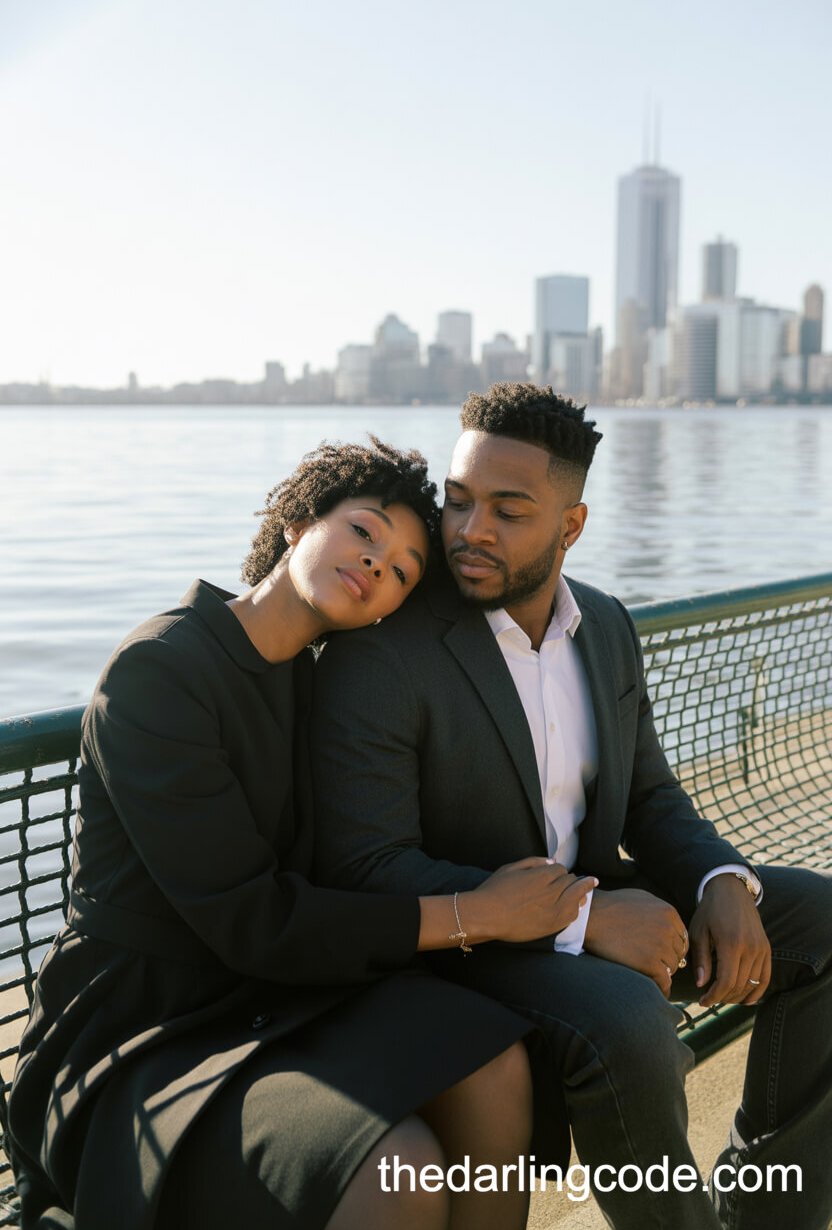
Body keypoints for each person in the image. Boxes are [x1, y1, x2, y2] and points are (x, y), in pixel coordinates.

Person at [8, 435, 598, 1230]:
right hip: (140, 1036)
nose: (376, 566)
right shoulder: (161, 671)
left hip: (273, 1002)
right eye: (364, 532)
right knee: (400, 1171)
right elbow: (253, 920)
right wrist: (477, 913)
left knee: (493, 1061)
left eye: (401, 572)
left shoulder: (320, 683)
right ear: (298, 522)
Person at [312, 388, 832, 1230]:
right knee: (630, 1022)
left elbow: (653, 796)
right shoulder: (383, 650)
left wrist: (720, 881)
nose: (469, 530)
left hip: (595, 907)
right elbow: (366, 865)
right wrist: (583, 920)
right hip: (463, 949)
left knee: (818, 919)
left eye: (508, 510)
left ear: (572, 525)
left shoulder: (608, 626)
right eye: (458, 499)